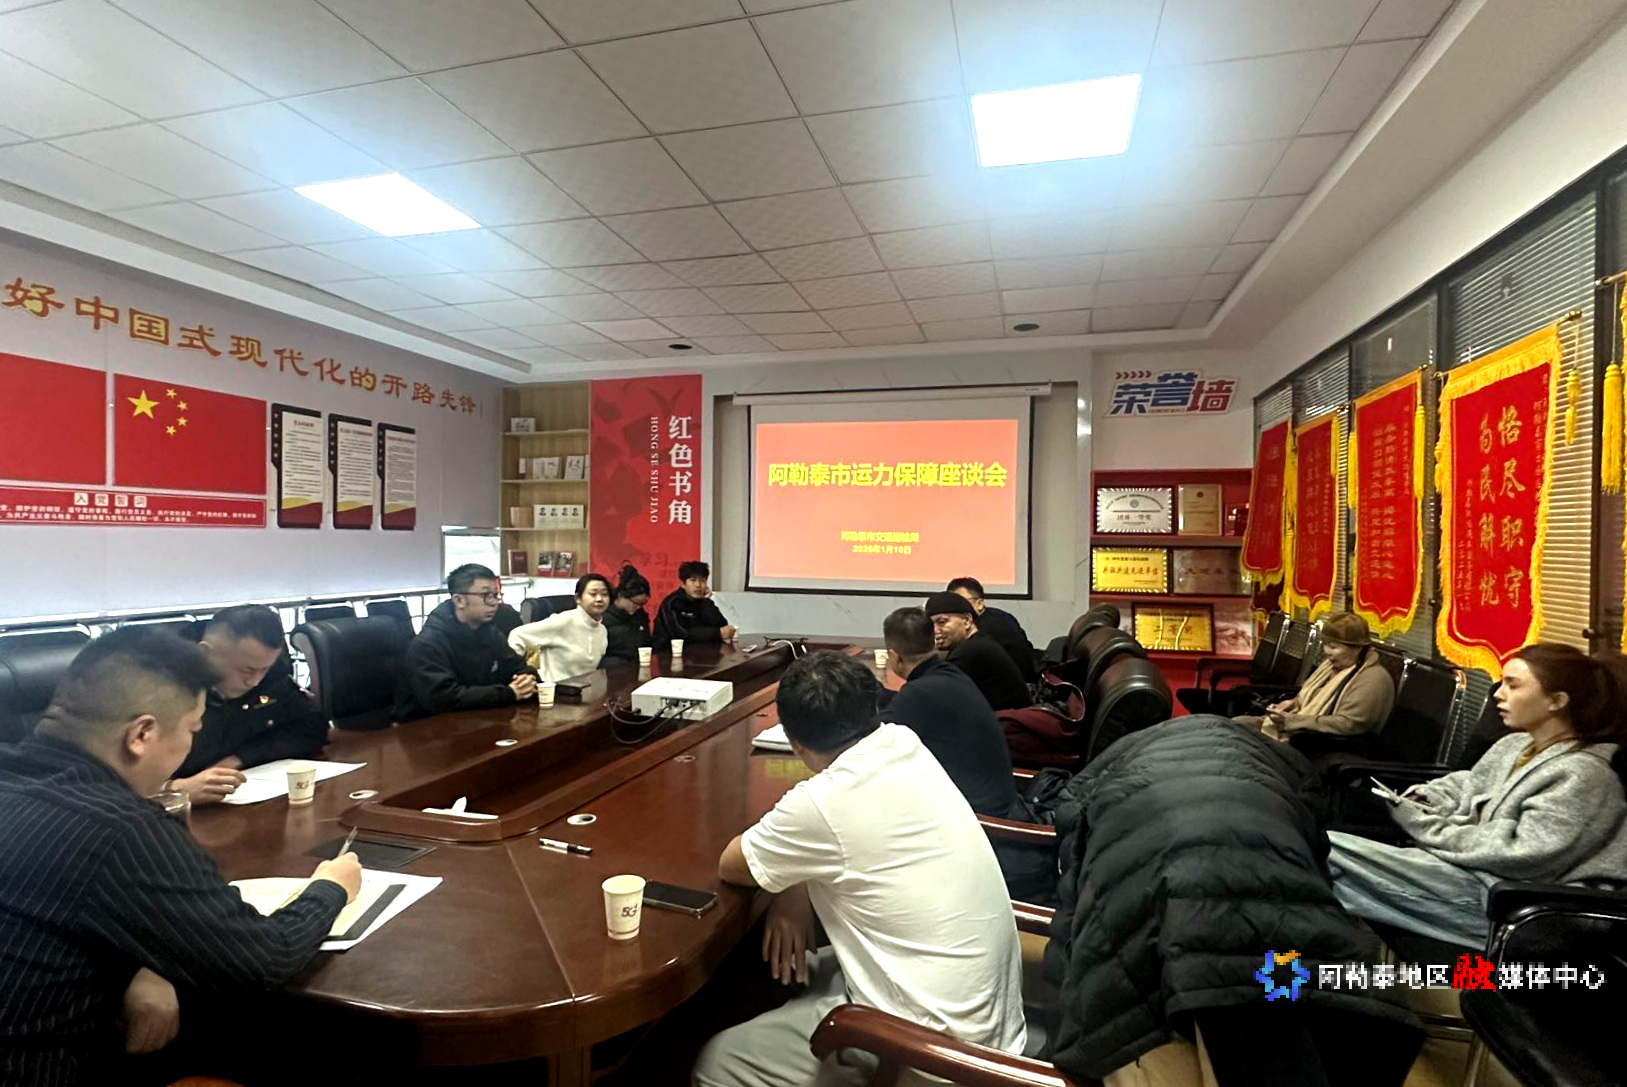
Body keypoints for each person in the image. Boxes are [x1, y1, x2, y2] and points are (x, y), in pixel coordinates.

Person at [0, 627, 361, 1086]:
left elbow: (47, 912)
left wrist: (141, 967)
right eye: (192, 730)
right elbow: (263, 961)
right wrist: (330, 888)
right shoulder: (121, 829)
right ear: (141, 734)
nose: (192, 743)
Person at [697, 651, 1025, 1087]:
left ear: (793, 743)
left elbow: (732, 864)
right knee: (800, 966)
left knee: (716, 1062)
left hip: (933, 1059)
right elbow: (833, 833)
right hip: (987, 1025)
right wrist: (793, 886)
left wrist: (791, 878)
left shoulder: (822, 804)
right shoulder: (903, 742)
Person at [1328, 643, 1627, 948]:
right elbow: (1464, 785)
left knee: (1322, 852)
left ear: (1556, 701)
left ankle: (1316, 964)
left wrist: (1426, 825)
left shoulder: (1585, 775)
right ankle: (1320, 961)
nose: (1498, 694)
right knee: (1314, 850)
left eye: (1513, 685)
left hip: (1512, 905)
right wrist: (1425, 798)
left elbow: (1518, 855)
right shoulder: (1514, 745)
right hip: (1467, 876)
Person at [879, 607, 1053, 901]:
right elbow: (907, 706)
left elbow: (873, 738)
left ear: (894, 657)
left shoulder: (920, 693)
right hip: (999, 806)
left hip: (981, 830)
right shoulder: (949, 675)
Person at [165, 605, 327, 806]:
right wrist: (173, 790)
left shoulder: (270, 674)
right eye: (247, 671)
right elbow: (128, 773)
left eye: (265, 669)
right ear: (204, 653)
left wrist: (239, 759)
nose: (255, 682)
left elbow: (311, 728)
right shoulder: (157, 686)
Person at [392, 564, 538, 722]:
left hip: (476, 718)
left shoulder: (489, 632)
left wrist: (527, 679)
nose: (494, 602)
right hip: (425, 726)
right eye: (486, 595)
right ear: (459, 600)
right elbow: (444, 698)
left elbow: (519, 667)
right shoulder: (428, 644)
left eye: (496, 595)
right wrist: (508, 693)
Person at [1235, 611, 1394, 748]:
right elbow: (1309, 697)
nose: (1327, 652)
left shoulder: (1373, 679)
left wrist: (1294, 721)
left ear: (1357, 648)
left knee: (1238, 739)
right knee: (1236, 724)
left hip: (1319, 743)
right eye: (1325, 645)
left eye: (1334, 647)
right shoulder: (1331, 666)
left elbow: (1348, 724)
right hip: (1299, 728)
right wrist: (1291, 704)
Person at [922, 591, 1030, 711]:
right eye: (931, 625)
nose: (935, 630)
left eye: (942, 622)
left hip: (1007, 721)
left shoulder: (970, 652)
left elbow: (935, 695)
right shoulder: (978, 643)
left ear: (967, 621)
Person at [508, 573, 611, 682]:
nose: (599, 599)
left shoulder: (602, 630)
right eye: (593, 594)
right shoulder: (563, 622)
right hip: (554, 689)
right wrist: (519, 672)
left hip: (583, 688)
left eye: (604, 594)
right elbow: (517, 635)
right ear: (578, 599)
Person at [947, 577, 1036, 681]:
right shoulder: (999, 615)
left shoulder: (987, 628)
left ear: (980, 604)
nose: (954, 607)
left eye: (960, 601)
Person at [654, 560, 737, 648]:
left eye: (702, 581)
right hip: (668, 652)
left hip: (700, 652)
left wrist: (706, 601)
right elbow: (679, 633)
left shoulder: (704, 601)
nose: (698, 585)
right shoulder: (672, 603)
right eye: (693, 580)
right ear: (683, 584)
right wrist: (716, 633)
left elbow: (722, 625)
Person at [601, 564, 653, 666]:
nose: (637, 607)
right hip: (610, 668)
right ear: (620, 596)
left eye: (642, 604)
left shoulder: (641, 616)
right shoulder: (602, 617)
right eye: (634, 603)